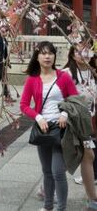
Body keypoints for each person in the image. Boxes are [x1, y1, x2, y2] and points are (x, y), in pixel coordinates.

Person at [20, 41, 78, 211]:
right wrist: (38, 117)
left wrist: (65, 114)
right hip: (43, 130)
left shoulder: (63, 77)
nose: (47, 56)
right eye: (44, 53)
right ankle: (48, 206)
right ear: (37, 57)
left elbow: (74, 98)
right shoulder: (32, 79)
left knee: (58, 172)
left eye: (51, 53)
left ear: (54, 56)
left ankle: (61, 208)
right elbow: (24, 105)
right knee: (47, 171)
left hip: (61, 129)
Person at [62, 44, 97, 210]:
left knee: (70, 157)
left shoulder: (93, 71)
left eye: (87, 49)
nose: (84, 53)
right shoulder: (67, 73)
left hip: (88, 122)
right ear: (72, 54)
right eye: (78, 50)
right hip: (72, 122)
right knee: (87, 156)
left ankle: (45, 188)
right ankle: (93, 201)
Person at [0, 25, 16, 103]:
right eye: (3, 32)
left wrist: (8, 61)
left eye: (6, 31)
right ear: (0, 32)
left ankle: (7, 96)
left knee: (4, 80)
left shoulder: (4, 41)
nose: (5, 33)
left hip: (2, 64)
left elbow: (6, 52)